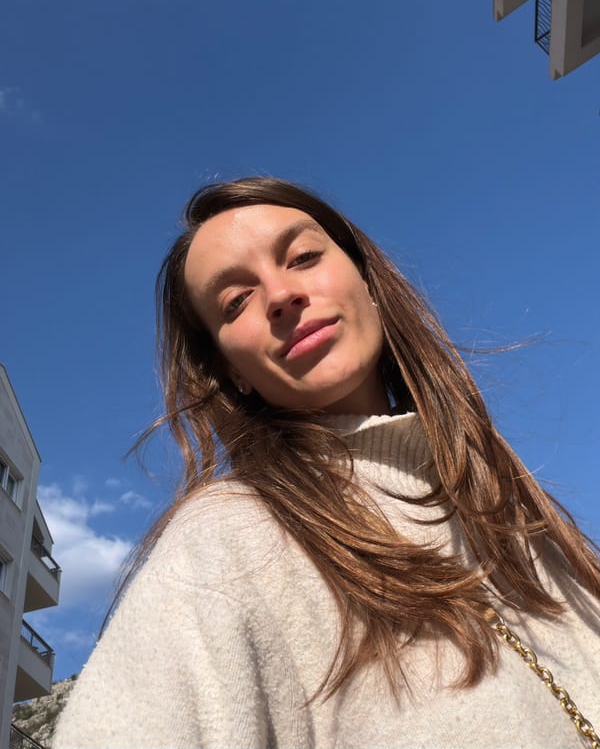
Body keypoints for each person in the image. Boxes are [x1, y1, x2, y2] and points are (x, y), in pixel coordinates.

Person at [55, 177, 600, 749]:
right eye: (235, 302)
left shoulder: (520, 516)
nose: (280, 294)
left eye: (304, 257)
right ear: (232, 370)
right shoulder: (229, 542)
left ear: (366, 280)